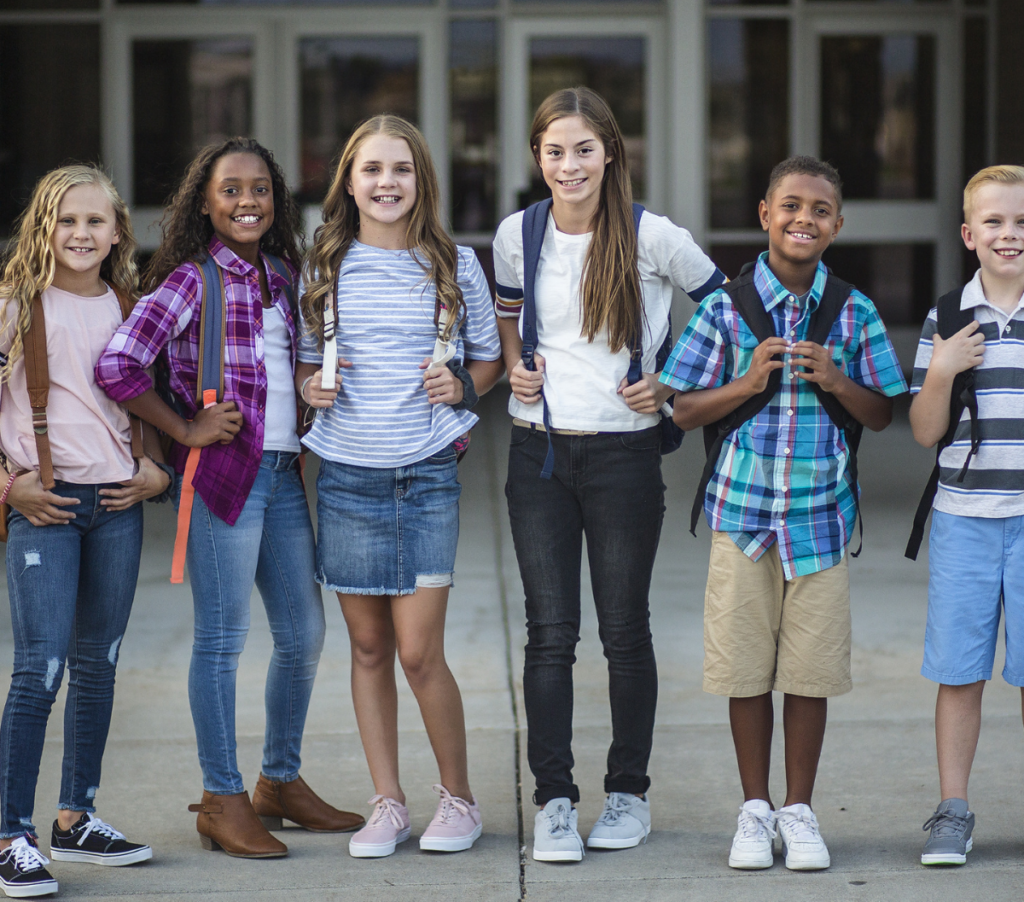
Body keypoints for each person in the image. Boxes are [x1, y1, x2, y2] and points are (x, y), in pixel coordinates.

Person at [95, 137, 362, 859]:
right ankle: (221, 795)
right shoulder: (189, 280)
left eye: (261, 190)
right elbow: (118, 364)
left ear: (277, 201)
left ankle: (280, 781)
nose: (248, 201)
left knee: (303, 634)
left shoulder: (284, 274)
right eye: (232, 190)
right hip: (222, 480)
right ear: (205, 203)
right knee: (221, 641)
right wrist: (184, 427)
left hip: (281, 478)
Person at [493, 87, 726, 863]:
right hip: (541, 454)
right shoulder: (516, 233)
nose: (569, 165)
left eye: (584, 149)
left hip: (626, 454)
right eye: (555, 151)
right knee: (550, 635)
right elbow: (509, 314)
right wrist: (516, 366)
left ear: (610, 154)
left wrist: (674, 384)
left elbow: (728, 307)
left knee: (624, 632)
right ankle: (554, 800)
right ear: (537, 158)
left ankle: (628, 794)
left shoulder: (651, 235)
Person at [660, 156, 906, 871]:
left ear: (837, 225)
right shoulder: (726, 308)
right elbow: (681, 407)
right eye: (790, 206)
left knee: (809, 672)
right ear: (765, 213)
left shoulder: (853, 311)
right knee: (744, 671)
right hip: (741, 518)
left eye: (820, 210)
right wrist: (746, 382)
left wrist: (836, 378)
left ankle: (799, 810)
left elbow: (882, 412)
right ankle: (754, 808)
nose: (804, 219)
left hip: (821, 522)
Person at [296, 115, 503, 859]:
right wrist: (307, 390)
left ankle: (460, 798)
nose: (387, 183)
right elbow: (304, 362)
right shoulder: (323, 265)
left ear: (423, 181)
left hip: (425, 475)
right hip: (347, 474)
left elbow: (488, 363)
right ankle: (387, 802)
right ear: (348, 182)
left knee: (419, 651)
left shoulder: (454, 265)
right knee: (368, 646)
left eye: (402, 169)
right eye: (372, 169)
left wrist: (461, 386)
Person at [0, 166, 170, 899]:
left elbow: (154, 403)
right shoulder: (16, 308)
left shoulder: (130, 307)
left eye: (95, 222)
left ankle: (77, 818)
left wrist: (157, 469)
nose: (80, 234)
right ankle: (12, 834)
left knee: (99, 662)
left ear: (117, 231)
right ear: (44, 227)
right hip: (47, 505)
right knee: (40, 668)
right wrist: (10, 486)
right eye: (67, 221)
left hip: (119, 505)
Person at [908, 165, 1024, 866]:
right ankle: (953, 809)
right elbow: (925, 432)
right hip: (964, 519)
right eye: (995, 223)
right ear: (968, 233)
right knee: (960, 671)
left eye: (1021, 223)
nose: (1009, 235)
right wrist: (944, 368)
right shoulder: (948, 316)